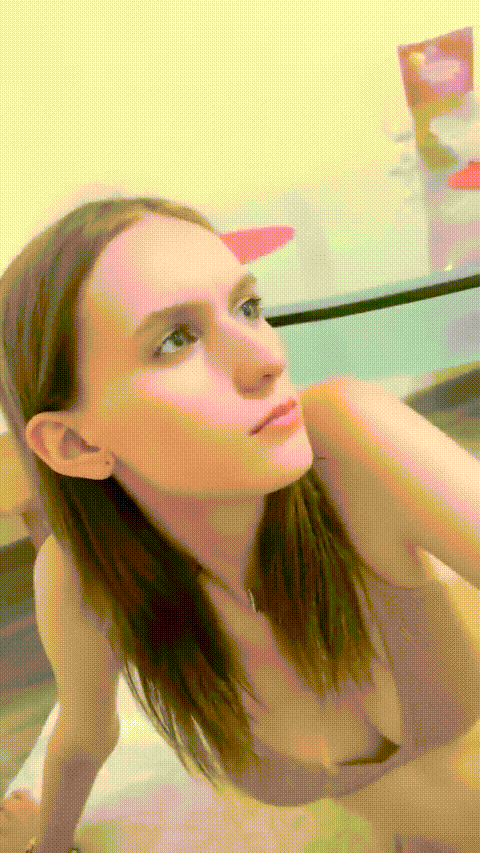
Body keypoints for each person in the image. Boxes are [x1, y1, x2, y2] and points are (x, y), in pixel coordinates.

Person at [0, 198, 479, 853]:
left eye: (248, 308)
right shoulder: (84, 581)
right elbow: (84, 736)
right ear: (76, 443)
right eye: (177, 340)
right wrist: (45, 846)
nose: (267, 359)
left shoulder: (350, 441)